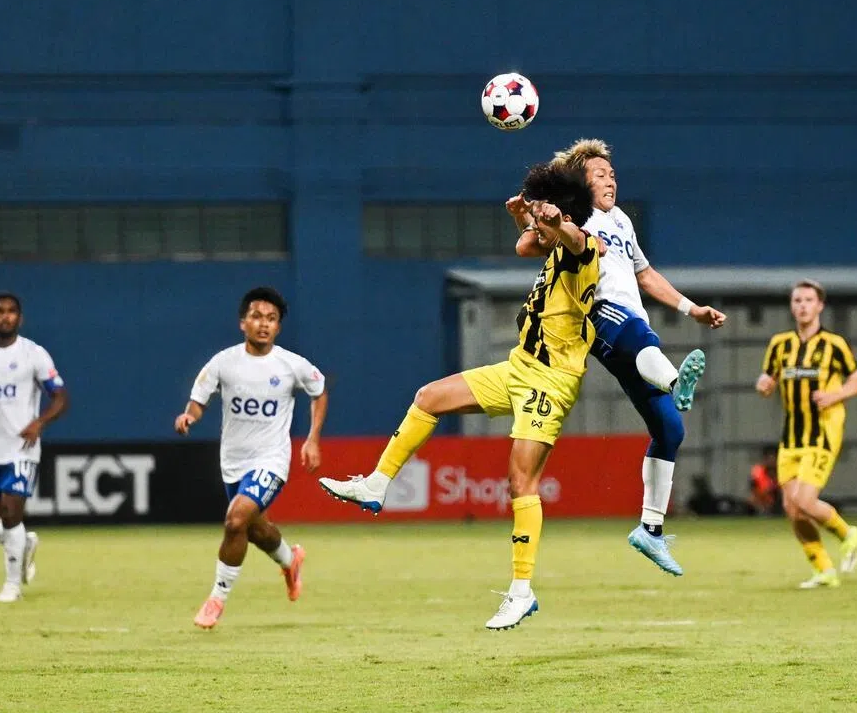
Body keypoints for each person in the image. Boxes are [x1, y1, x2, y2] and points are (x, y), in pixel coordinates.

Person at [319, 163, 600, 630]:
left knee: (519, 483)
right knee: (429, 396)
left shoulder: (586, 249)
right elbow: (526, 242)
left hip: (551, 381)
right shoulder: (551, 246)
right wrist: (525, 215)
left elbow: (573, 239)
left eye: (542, 218)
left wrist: (555, 219)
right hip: (519, 367)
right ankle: (376, 485)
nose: (534, 228)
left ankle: (521, 591)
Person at [509, 139, 726, 576]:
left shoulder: (622, 221)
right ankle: (673, 381)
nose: (611, 179)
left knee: (670, 429)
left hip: (631, 320)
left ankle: (651, 529)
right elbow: (529, 246)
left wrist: (691, 308)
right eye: (600, 174)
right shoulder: (570, 215)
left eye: (612, 173)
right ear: (580, 183)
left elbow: (645, 275)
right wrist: (526, 217)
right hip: (597, 314)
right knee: (638, 335)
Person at [175, 287, 328, 629]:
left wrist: (313, 438)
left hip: (271, 459)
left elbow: (319, 393)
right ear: (243, 322)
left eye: (271, 319)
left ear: (278, 327)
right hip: (233, 462)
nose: (264, 324)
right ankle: (291, 561)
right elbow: (199, 398)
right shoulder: (223, 363)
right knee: (256, 530)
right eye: (257, 316)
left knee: (234, 521)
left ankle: (216, 599)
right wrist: (190, 417)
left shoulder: (291, 365)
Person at [0, 292, 69, 602]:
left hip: (21, 447)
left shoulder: (34, 354)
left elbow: (60, 397)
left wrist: (40, 422)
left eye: (11, 312)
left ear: (19, 318)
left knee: (10, 512)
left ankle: (12, 586)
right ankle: (24, 544)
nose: (5, 316)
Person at [755, 280, 857, 589]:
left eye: (808, 300)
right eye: (797, 300)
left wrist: (835, 395)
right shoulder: (780, 344)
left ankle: (847, 533)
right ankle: (824, 569)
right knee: (792, 508)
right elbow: (768, 377)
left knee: (804, 500)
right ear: (792, 306)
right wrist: (764, 385)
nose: (802, 305)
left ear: (820, 306)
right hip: (791, 435)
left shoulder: (834, 344)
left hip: (823, 433)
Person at [749, 444, 781, 516]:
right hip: (762, 499)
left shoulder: (782, 471)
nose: (771, 461)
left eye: (773, 458)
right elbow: (753, 490)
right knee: (751, 500)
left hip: (777, 501)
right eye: (768, 458)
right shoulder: (757, 471)